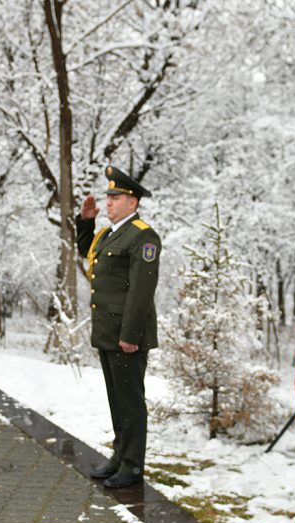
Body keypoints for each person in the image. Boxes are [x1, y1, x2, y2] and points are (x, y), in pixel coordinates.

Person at [76, 166, 162, 489]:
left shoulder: (143, 236)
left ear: (133, 202)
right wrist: (86, 221)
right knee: (117, 399)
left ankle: (133, 466)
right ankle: (119, 456)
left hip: (127, 337)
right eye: (109, 197)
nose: (109, 202)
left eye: (116, 197)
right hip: (108, 333)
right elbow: (90, 253)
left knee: (130, 401)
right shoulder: (110, 235)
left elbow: (141, 291)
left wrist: (130, 335)